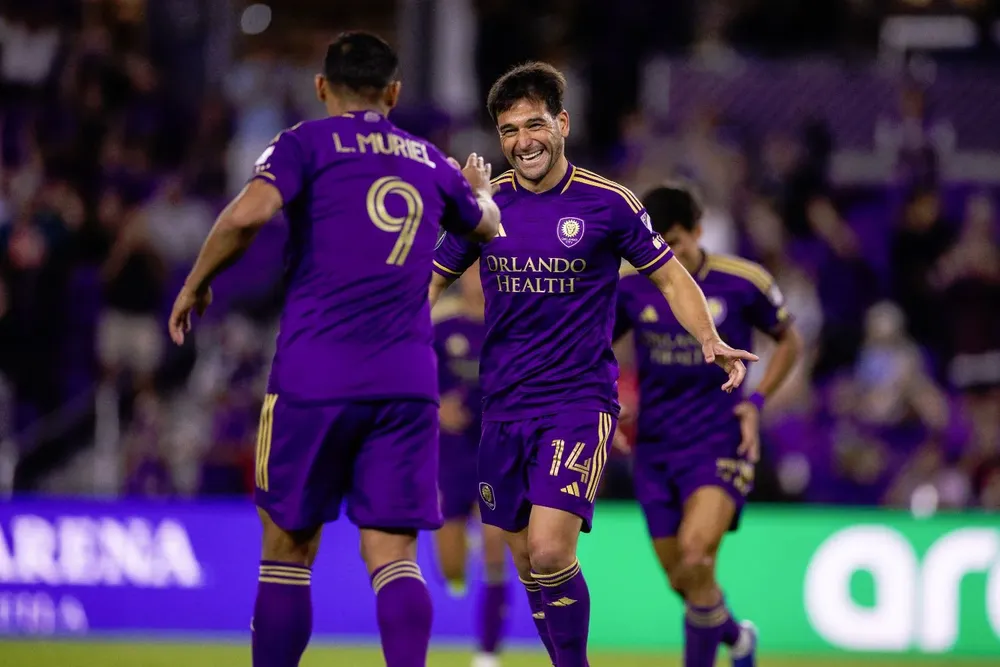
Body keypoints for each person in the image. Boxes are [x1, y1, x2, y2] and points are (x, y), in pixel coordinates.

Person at [167, 32, 500, 667]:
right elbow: (486, 223)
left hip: (314, 376)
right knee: (394, 555)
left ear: (322, 87)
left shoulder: (305, 143)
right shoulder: (430, 159)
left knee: (289, 548)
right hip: (405, 382)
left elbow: (245, 216)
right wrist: (477, 190)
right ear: (395, 93)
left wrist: (195, 283)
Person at [428, 62, 758, 667]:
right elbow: (426, 283)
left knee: (551, 551)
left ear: (563, 122)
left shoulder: (609, 204)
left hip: (577, 403)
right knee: (527, 559)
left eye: (534, 125)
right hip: (501, 409)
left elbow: (669, 277)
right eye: (508, 131)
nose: (522, 141)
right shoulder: (486, 207)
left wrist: (709, 338)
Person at [614, 183, 804, 667]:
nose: (665, 254)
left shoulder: (743, 281)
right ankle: (736, 635)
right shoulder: (632, 285)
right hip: (654, 448)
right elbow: (595, 346)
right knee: (684, 577)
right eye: (658, 243)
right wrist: (609, 398)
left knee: (697, 557)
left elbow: (789, 342)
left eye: (674, 242)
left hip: (718, 439)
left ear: (698, 231)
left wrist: (756, 402)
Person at [431, 266, 509, 667]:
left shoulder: (511, 318)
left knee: (497, 551)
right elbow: (410, 368)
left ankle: (488, 651)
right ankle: (464, 549)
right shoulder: (440, 320)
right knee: (452, 569)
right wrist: (436, 405)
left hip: (496, 448)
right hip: (451, 453)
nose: (478, 277)